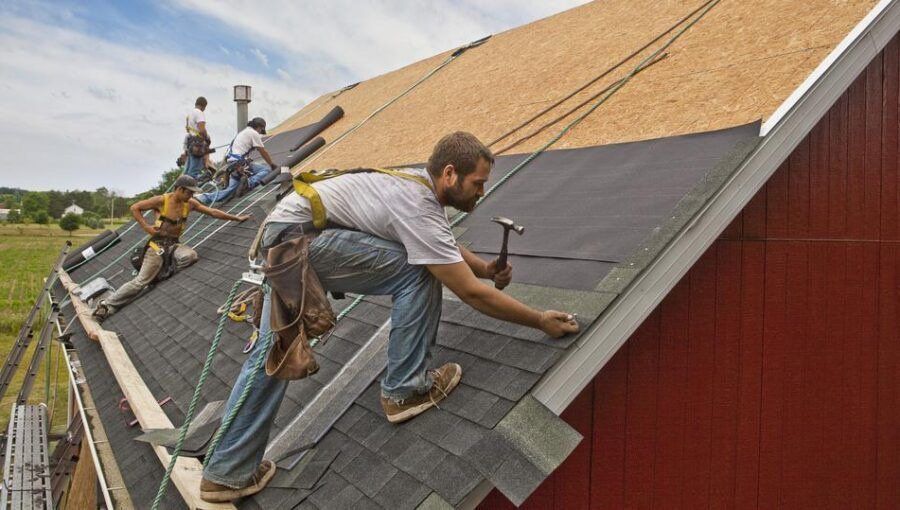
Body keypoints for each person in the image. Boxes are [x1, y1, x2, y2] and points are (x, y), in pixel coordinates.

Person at [199, 132, 579, 503]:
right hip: (300, 242)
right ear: (450, 174)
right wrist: (539, 319)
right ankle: (405, 389)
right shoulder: (416, 203)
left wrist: (484, 267)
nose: (482, 192)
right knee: (420, 270)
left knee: (275, 351)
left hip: (286, 238)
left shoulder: (414, 186)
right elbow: (468, 291)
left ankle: (226, 472)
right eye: (478, 183)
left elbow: (439, 240)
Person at [93, 175, 250, 321]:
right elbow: (135, 207)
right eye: (189, 192)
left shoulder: (190, 204)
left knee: (190, 256)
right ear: (180, 189)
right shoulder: (162, 200)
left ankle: (162, 273)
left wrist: (236, 218)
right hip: (156, 247)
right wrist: (146, 227)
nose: (191, 196)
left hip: (174, 244)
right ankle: (106, 305)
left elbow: (212, 212)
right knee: (140, 282)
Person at [195, 117, 276, 205]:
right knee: (266, 170)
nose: (260, 133)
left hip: (233, 165)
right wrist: (272, 164)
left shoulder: (243, 132)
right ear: (260, 127)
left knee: (230, 191)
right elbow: (263, 151)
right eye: (261, 130)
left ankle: (203, 197)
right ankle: (248, 183)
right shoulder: (253, 133)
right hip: (240, 164)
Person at [182, 96, 212, 178]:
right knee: (194, 171)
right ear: (204, 106)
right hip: (198, 145)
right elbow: (202, 129)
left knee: (188, 170)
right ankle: (190, 187)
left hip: (190, 143)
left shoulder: (189, 114)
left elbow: (188, 130)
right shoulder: (199, 113)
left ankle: (182, 186)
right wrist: (207, 138)